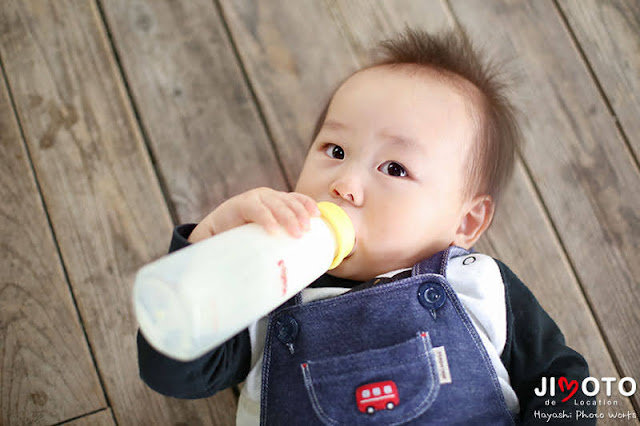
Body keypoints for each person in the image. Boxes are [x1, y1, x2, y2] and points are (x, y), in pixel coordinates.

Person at [137, 28, 595, 424]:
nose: (345, 184)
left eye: (394, 168)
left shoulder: (478, 282)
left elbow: (562, 382)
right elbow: (174, 372)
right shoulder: (268, 283)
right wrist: (207, 251)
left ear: (467, 219)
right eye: (335, 151)